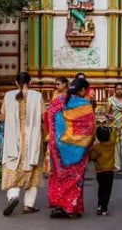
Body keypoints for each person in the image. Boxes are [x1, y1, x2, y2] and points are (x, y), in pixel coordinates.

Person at [45, 78, 95, 219]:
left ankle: (59, 206)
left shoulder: (58, 100)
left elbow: (48, 117)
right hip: (76, 147)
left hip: (57, 147)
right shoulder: (84, 104)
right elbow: (89, 128)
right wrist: (88, 145)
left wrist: (54, 139)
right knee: (75, 177)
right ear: (83, 90)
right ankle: (71, 208)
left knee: (59, 176)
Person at [1, 71, 44, 216]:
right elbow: (44, 116)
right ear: (30, 82)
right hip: (32, 139)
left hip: (13, 139)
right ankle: (28, 206)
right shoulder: (37, 96)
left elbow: (2, 116)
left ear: (15, 83)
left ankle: (13, 196)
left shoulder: (8, 95)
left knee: (12, 168)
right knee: (32, 172)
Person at [90, 125, 116, 216]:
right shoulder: (112, 144)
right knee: (107, 190)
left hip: (100, 171)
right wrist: (111, 127)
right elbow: (114, 133)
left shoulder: (97, 147)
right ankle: (104, 208)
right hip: (110, 171)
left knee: (101, 188)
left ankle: (100, 206)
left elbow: (92, 157)